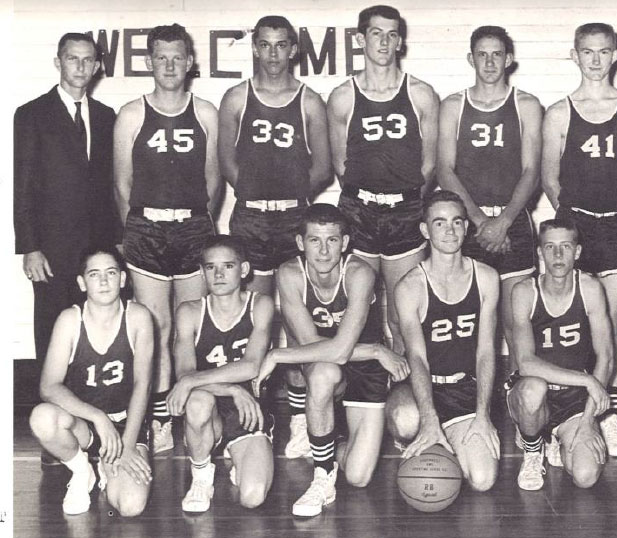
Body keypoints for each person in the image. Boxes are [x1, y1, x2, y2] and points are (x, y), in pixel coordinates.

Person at [541, 22, 617, 457]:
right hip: (576, 227)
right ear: (575, 55)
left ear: (616, 55)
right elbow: (550, 176)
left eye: (603, 51)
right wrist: (571, 224)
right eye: (587, 51)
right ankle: (559, 420)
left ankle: (609, 419)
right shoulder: (560, 111)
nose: (595, 59)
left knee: (610, 327)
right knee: (571, 328)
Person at [254, 204, 409, 517]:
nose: (324, 251)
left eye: (332, 241)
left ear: (346, 242)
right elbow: (312, 346)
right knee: (323, 372)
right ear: (301, 243)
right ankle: (323, 476)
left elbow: (340, 350)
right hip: (336, 362)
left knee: (359, 476)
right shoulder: (289, 273)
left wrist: (278, 354)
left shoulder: (360, 273)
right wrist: (377, 350)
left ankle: (325, 438)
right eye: (314, 240)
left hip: (364, 370)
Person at [114, 23, 222, 454]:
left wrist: (196, 220)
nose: (171, 65)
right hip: (147, 230)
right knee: (155, 327)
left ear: (190, 61)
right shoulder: (132, 114)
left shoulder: (206, 112)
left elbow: (213, 181)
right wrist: (138, 228)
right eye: (162, 57)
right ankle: (160, 419)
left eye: (178, 57)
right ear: (148, 63)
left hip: (194, 227)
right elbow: (122, 184)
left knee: (190, 327)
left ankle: (196, 410)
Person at [326, 4, 439, 353]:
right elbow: (340, 165)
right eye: (377, 33)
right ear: (361, 39)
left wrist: (400, 197)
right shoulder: (343, 97)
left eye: (392, 34)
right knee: (356, 313)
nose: (385, 42)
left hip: (404, 212)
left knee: (402, 315)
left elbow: (429, 164)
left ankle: (404, 396)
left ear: (400, 42)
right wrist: (368, 198)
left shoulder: (420, 93)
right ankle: (365, 396)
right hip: (358, 212)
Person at [437, 25, 542, 365]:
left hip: (513, 222)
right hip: (469, 225)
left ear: (509, 59)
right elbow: (444, 170)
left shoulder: (526, 104)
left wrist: (505, 221)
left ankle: (517, 397)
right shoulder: (453, 105)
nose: (489, 61)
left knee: (516, 320)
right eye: (482, 54)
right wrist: (482, 222)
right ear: (471, 59)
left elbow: (532, 171)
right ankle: (470, 400)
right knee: (472, 320)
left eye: (497, 54)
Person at [14, 33, 119, 374]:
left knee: (98, 328)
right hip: (52, 249)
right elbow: (24, 185)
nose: (80, 66)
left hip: (98, 247)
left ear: (98, 66)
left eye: (88, 59)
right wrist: (30, 247)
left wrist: (117, 242)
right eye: (72, 58)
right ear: (58, 62)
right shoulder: (32, 114)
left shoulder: (106, 116)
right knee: (52, 327)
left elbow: (110, 186)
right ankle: (52, 413)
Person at [387, 190, 500, 491]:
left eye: (457, 222)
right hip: (422, 388)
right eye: (439, 223)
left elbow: (486, 352)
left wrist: (483, 415)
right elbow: (417, 358)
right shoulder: (410, 286)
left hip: (464, 387)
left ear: (466, 227)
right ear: (425, 230)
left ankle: (445, 440)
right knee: (406, 419)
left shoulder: (487, 278)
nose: (450, 230)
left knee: (483, 480)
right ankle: (412, 440)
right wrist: (429, 417)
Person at [29, 248, 154, 516]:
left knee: (130, 506)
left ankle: (108, 469)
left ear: (123, 279)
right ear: (82, 283)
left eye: (111, 273)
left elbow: (143, 385)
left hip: (125, 424)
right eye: (94, 274)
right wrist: (98, 417)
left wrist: (128, 446)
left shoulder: (138, 317)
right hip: (85, 424)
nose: (104, 281)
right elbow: (48, 386)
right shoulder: (69, 320)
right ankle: (81, 470)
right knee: (42, 418)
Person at [218, 15, 332, 296]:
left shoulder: (310, 100)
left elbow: (323, 168)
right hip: (250, 216)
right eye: (265, 45)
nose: (272, 53)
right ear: (255, 48)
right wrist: (251, 190)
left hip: (294, 215)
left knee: (299, 306)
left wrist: (295, 195)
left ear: (292, 50)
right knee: (256, 308)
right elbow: (225, 161)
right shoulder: (236, 97)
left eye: (280, 45)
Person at [168, 237, 275, 513]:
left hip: (248, 412)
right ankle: (202, 475)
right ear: (202, 272)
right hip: (212, 407)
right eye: (210, 267)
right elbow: (184, 373)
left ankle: (236, 453)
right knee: (197, 402)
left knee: (253, 497)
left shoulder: (260, 305)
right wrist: (232, 389)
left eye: (227, 266)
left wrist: (193, 379)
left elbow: (251, 366)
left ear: (244, 269)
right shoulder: (190, 312)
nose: (218, 274)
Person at [506, 219, 612, 491]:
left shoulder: (589, 288)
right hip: (533, 393)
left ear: (577, 252)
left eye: (565, 247)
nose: (557, 255)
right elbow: (526, 363)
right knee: (533, 389)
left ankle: (555, 438)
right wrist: (587, 380)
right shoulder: (524, 292)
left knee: (586, 476)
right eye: (550, 247)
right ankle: (532, 449)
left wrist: (589, 422)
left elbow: (606, 357)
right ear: (540, 253)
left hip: (574, 400)